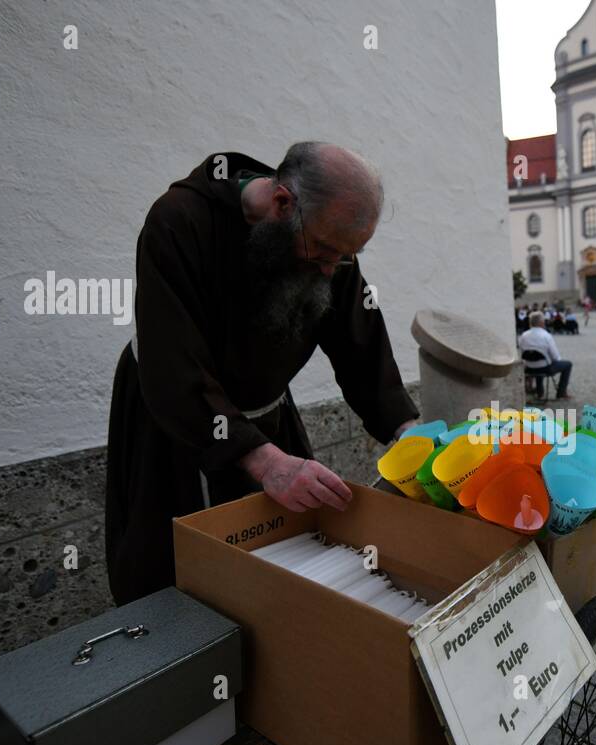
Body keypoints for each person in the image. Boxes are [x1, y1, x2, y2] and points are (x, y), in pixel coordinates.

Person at [105, 144, 418, 605]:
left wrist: (406, 429)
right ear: (281, 204)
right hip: (175, 417)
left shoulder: (326, 239)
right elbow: (173, 361)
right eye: (326, 252)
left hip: (267, 412)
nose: (333, 268)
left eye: (347, 256)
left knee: (287, 562)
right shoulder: (178, 221)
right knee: (181, 578)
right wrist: (267, 463)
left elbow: (360, 340)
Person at [518, 313, 574, 399]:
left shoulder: (523, 336)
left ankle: (540, 392)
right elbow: (556, 357)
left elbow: (522, 352)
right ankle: (561, 392)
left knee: (538, 361)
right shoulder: (546, 336)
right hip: (545, 368)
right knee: (568, 364)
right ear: (542, 323)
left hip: (529, 368)